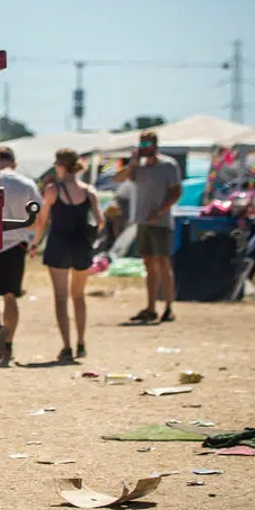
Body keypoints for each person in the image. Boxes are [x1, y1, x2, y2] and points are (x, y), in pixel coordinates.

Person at [31, 149, 102, 363]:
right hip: (81, 246)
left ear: (60, 165)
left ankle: (67, 347)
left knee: (61, 298)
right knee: (79, 296)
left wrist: (34, 244)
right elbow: (100, 221)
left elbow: (42, 220)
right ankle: (81, 342)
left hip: (59, 245)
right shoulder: (89, 191)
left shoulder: (53, 190)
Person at [0, 146, 42, 366]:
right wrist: (34, 242)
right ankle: (9, 344)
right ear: (14, 163)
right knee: (10, 296)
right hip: (16, 245)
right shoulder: (27, 184)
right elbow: (39, 217)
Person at [113, 131, 181, 322]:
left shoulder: (168, 165)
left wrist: (160, 210)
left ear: (155, 145)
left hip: (161, 221)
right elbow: (117, 179)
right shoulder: (138, 168)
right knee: (149, 265)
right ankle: (150, 307)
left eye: (147, 144)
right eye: (141, 145)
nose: (144, 148)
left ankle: (168, 307)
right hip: (142, 221)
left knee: (163, 263)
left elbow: (176, 192)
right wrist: (132, 163)